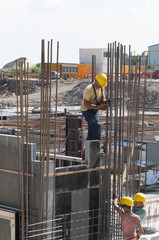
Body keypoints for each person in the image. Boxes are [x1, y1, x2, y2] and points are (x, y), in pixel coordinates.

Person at [81, 73, 108, 141]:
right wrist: (98, 107)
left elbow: (102, 98)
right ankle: (95, 147)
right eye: (100, 84)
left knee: (91, 132)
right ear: (96, 81)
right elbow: (86, 104)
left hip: (95, 111)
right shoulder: (89, 89)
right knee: (96, 126)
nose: (101, 86)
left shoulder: (101, 87)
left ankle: (87, 150)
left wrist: (105, 103)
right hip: (87, 111)